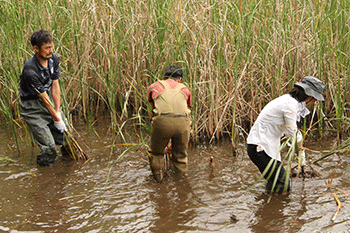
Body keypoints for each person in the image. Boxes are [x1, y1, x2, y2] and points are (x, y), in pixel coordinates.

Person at [246, 76, 325, 193]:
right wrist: (300, 152)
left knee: (275, 182)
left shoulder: (289, 101)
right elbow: (292, 132)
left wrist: (299, 151)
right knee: (283, 186)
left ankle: (267, 204)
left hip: (264, 145)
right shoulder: (289, 105)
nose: (315, 101)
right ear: (309, 95)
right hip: (260, 148)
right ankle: (274, 208)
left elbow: (290, 132)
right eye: (315, 98)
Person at [19, 29, 70, 166]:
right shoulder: (30, 70)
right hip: (32, 109)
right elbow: (44, 99)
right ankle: (44, 177)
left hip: (48, 102)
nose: (50, 51)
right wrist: (56, 119)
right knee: (49, 148)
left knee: (68, 138)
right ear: (36, 49)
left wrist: (58, 112)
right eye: (47, 48)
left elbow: (55, 86)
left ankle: (69, 167)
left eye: (51, 47)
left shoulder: (53, 59)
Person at [147, 65, 192, 182]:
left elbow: (152, 107)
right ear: (180, 79)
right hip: (183, 123)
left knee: (156, 153)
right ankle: (181, 183)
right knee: (181, 156)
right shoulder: (185, 89)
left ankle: (158, 182)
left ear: (164, 77)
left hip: (162, 122)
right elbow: (185, 108)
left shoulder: (154, 86)